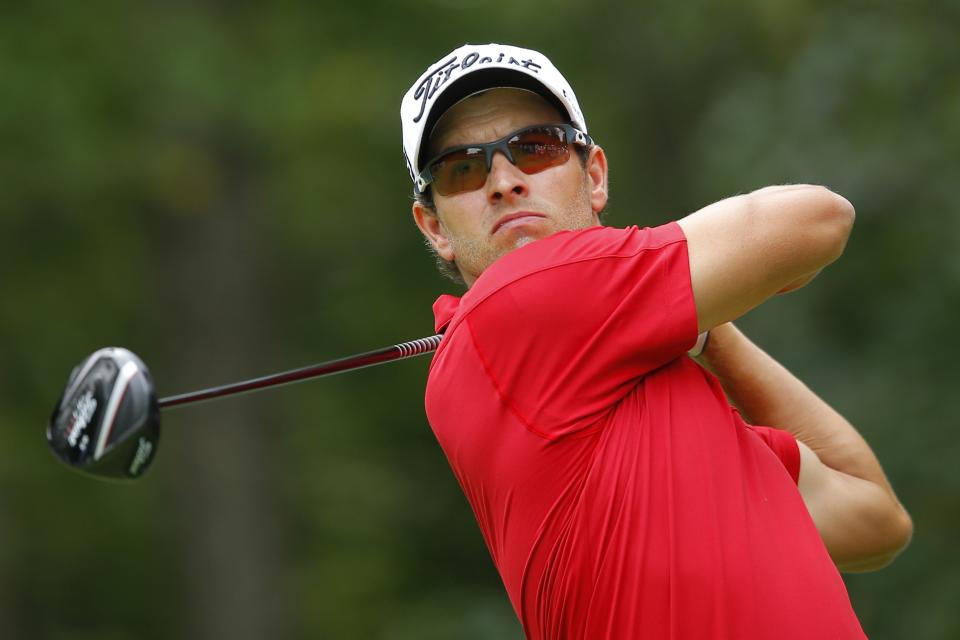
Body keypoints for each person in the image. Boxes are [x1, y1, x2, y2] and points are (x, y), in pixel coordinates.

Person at [400, 43, 912, 639]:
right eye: (464, 167)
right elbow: (817, 219)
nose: (505, 182)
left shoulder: (661, 402)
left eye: (534, 147)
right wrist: (695, 303)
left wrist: (703, 332)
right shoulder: (512, 302)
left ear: (593, 175)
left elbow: (874, 520)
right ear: (435, 226)